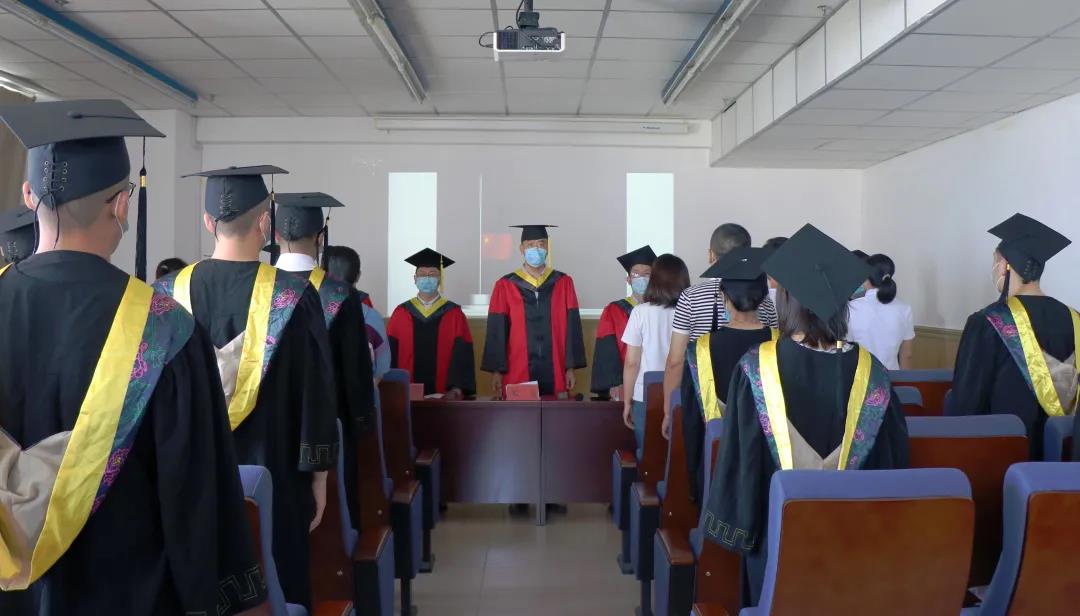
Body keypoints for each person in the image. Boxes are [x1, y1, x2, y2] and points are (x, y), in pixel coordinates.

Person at [0, 100, 263, 614]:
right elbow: (194, 499)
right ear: (122, 204)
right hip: (130, 596)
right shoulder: (164, 328)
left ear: (29, 196)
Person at [154, 165, 337, 611]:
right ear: (265, 222)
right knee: (276, 583)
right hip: (276, 473)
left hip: (188, 479)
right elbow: (315, 393)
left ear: (207, 222)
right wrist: (318, 474)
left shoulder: (163, 296)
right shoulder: (295, 296)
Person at [702, 224, 909, 609]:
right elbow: (890, 464)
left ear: (786, 302)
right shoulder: (874, 373)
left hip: (774, 533)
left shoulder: (757, 368)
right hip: (854, 539)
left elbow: (743, 461)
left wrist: (737, 528)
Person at [273, 192, 377, 532]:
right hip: (327, 433)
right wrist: (362, 423)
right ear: (320, 238)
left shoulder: (258, 290)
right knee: (332, 525)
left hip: (267, 435)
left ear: (275, 234)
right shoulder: (341, 295)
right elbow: (356, 375)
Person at [952, 213, 1077, 460]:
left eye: (995, 261)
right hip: (1066, 458)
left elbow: (967, 401)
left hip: (1005, 452)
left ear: (1005, 265)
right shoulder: (1075, 319)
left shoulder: (987, 322)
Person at [681, 247, 777, 504]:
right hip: (769, 463)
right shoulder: (780, 345)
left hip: (717, 460)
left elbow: (691, 421)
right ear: (764, 296)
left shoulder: (699, 349)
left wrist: (695, 474)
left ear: (724, 296)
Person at [662, 224, 778, 436]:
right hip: (757, 407)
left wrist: (669, 412)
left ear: (711, 255)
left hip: (705, 403)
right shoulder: (765, 301)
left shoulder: (690, 297)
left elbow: (675, 361)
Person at [481, 224, 586, 399]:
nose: (536, 249)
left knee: (555, 412)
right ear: (521, 249)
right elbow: (497, 331)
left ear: (547, 248)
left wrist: (570, 368)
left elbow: (572, 328)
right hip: (518, 368)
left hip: (556, 368)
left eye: (541, 244)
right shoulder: (505, 285)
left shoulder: (563, 282)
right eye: (530, 245)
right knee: (520, 414)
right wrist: (497, 371)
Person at [621, 253, 689, 450]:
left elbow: (632, 363)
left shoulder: (640, 312)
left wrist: (627, 401)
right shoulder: (689, 311)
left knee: (649, 455)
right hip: (681, 391)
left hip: (645, 393)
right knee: (680, 455)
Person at [387, 248, 476, 399]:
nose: (427, 278)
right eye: (422, 274)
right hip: (406, 393)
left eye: (432, 274)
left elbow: (462, 354)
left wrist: (456, 388)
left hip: (444, 394)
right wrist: (393, 388)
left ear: (440, 279)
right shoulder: (401, 312)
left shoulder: (454, 313)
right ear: (415, 279)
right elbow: (390, 353)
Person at [592, 245, 657, 400]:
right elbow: (607, 350)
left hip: (657, 380)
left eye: (647, 274)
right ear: (628, 280)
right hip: (624, 380)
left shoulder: (662, 311)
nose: (641, 278)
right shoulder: (614, 310)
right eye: (636, 274)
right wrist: (614, 382)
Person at [324, 244, 391, 381]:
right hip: (363, 391)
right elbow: (382, 368)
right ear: (358, 275)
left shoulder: (310, 314)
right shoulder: (372, 317)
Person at [847, 253, 915, 370]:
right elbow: (907, 354)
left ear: (865, 276)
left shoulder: (851, 308)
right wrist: (903, 379)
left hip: (861, 377)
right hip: (893, 376)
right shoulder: (904, 308)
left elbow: (844, 348)